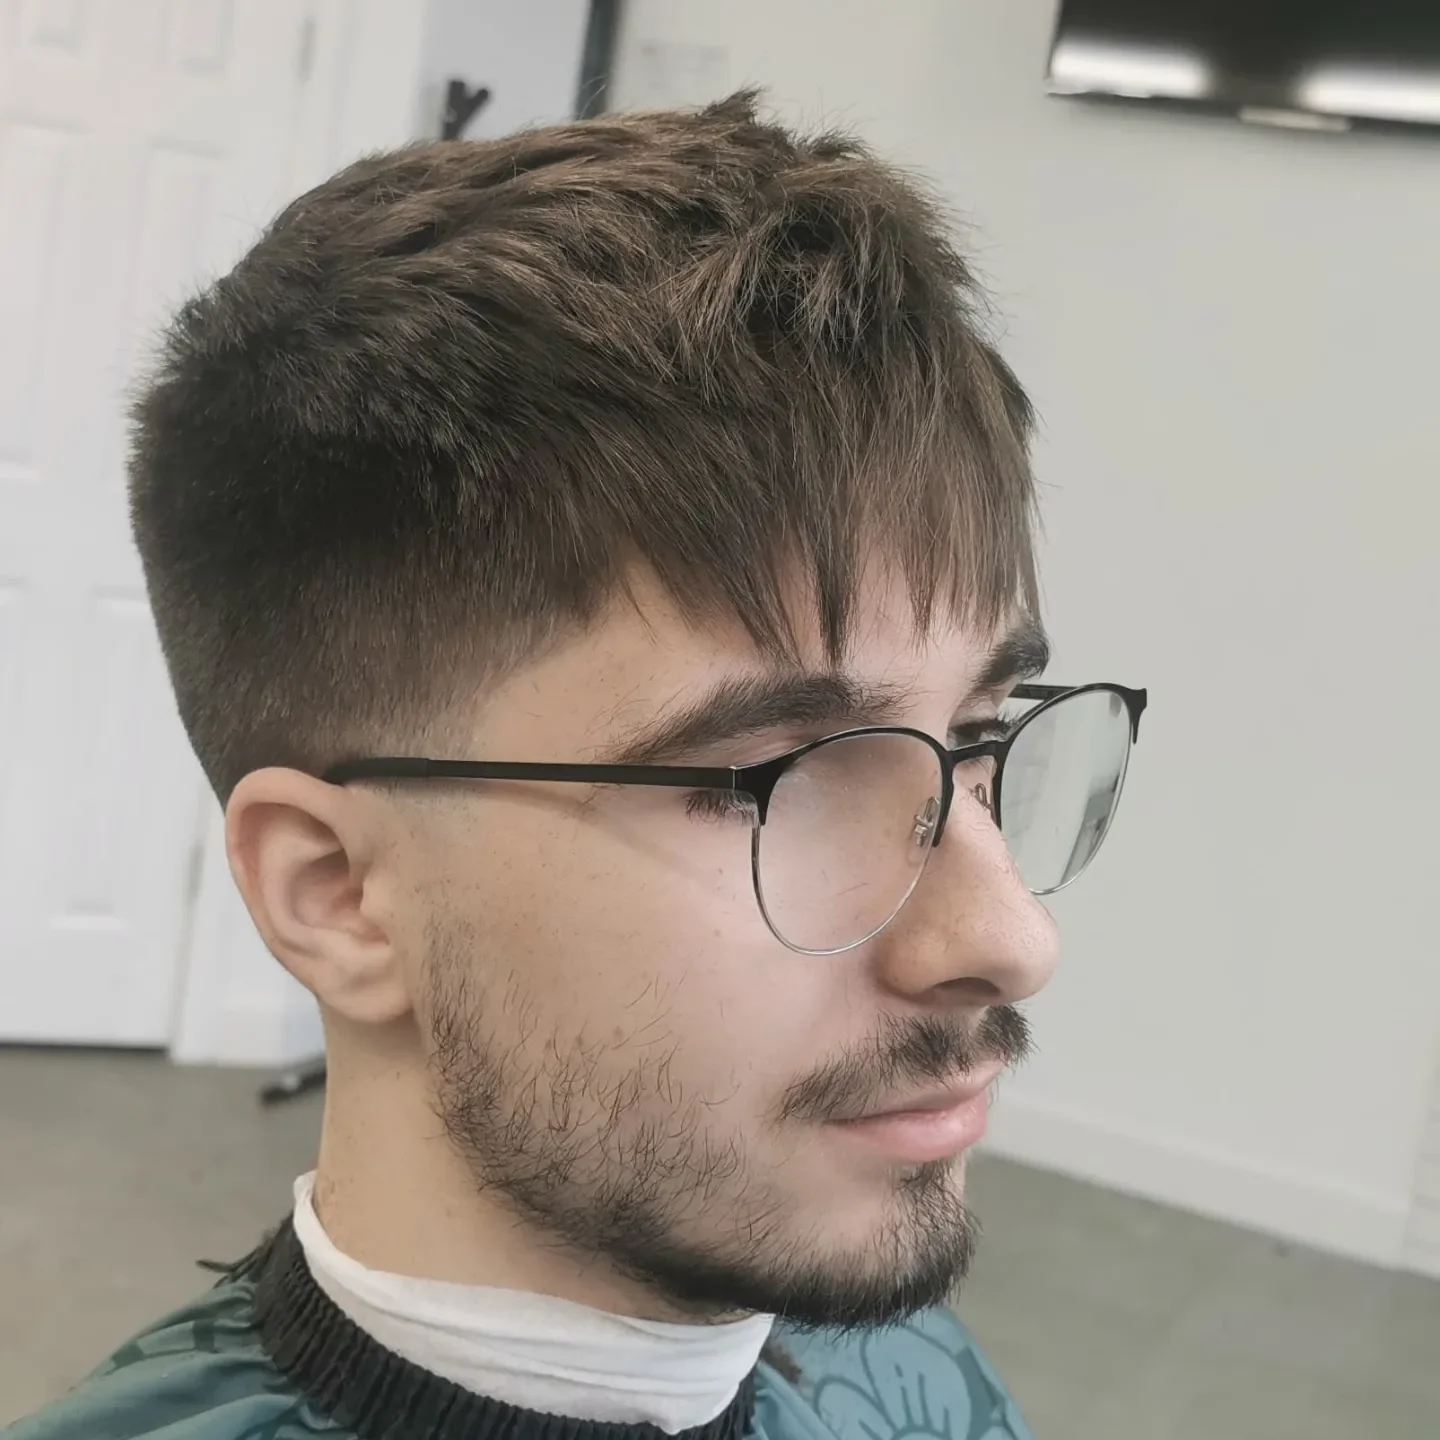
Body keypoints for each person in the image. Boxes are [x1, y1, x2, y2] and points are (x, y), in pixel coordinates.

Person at [12, 93, 1144, 1440]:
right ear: (338, 893)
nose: (1010, 939)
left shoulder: (913, 1376)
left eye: (973, 739)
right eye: (783, 772)